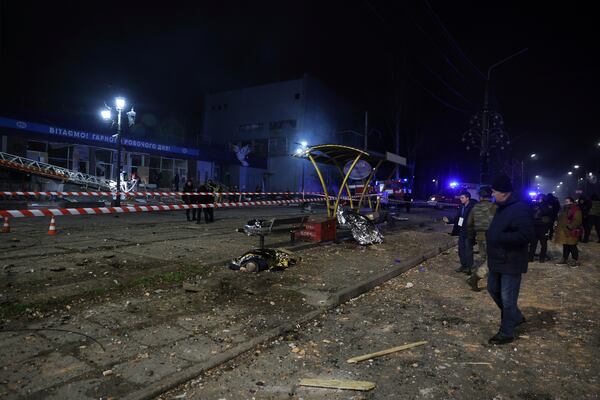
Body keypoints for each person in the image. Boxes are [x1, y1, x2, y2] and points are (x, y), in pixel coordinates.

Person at [486, 174, 534, 345]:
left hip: (511, 262)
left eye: (494, 192)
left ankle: (507, 333)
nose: (492, 195)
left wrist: (500, 237)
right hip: (497, 260)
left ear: (505, 193)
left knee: (507, 299)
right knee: (492, 289)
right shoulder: (501, 207)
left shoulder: (520, 208)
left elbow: (527, 234)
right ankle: (516, 316)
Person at [465, 186, 497, 291]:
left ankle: (483, 276)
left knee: (484, 258)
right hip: (491, 236)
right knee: (492, 259)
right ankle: (475, 277)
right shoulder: (494, 207)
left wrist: (471, 237)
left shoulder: (475, 207)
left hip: (479, 236)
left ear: (480, 197)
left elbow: (469, 223)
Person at [443, 191, 478, 274]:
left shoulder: (473, 207)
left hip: (469, 232)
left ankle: (469, 268)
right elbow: (458, 218)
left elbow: (475, 221)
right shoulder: (462, 206)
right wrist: (449, 221)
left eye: (462, 198)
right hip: (461, 231)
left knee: (468, 250)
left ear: (467, 198)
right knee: (461, 249)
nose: (460, 199)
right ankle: (463, 265)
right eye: (460, 197)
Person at [554, 196, 582, 267]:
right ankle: (564, 259)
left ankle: (575, 260)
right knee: (565, 245)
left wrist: (570, 227)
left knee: (572, 246)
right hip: (563, 231)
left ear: (571, 202)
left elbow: (577, 220)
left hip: (571, 231)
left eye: (567, 201)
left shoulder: (575, 209)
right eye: (565, 201)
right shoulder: (564, 208)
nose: (565, 202)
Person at [528, 194, 554, 263]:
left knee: (543, 243)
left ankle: (542, 258)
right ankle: (530, 257)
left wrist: (540, 204)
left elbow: (547, 212)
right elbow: (530, 213)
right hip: (535, 226)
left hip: (544, 227)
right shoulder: (534, 204)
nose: (538, 199)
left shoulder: (548, 205)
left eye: (540, 198)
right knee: (533, 243)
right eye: (538, 198)